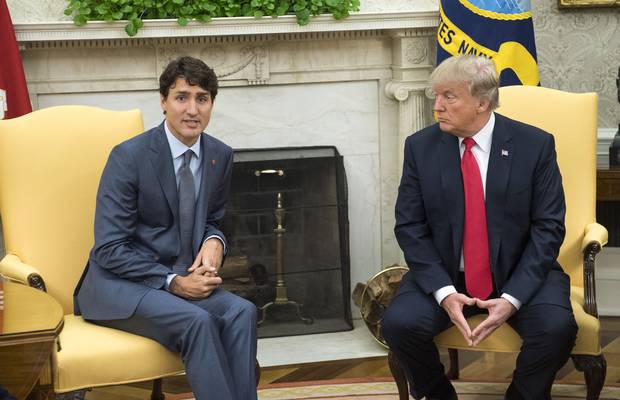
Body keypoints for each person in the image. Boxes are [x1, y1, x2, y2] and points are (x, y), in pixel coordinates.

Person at [382, 55, 577, 400]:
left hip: (520, 272)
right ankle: (439, 394)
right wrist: (443, 292)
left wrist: (512, 298)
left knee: (557, 329)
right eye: (435, 96)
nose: (437, 106)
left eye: (449, 96)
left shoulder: (534, 145)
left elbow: (548, 228)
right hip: (447, 274)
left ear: (482, 102)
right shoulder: (421, 147)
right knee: (398, 325)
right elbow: (410, 225)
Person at [73, 56, 257, 400]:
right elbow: (109, 248)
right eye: (181, 96)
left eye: (202, 98)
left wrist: (215, 240)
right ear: (163, 101)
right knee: (196, 321)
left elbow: (214, 219)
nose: (192, 109)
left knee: (242, 312)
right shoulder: (128, 157)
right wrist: (173, 282)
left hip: (180, 280)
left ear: (212, 104)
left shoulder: (220, 155)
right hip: (121, 286)